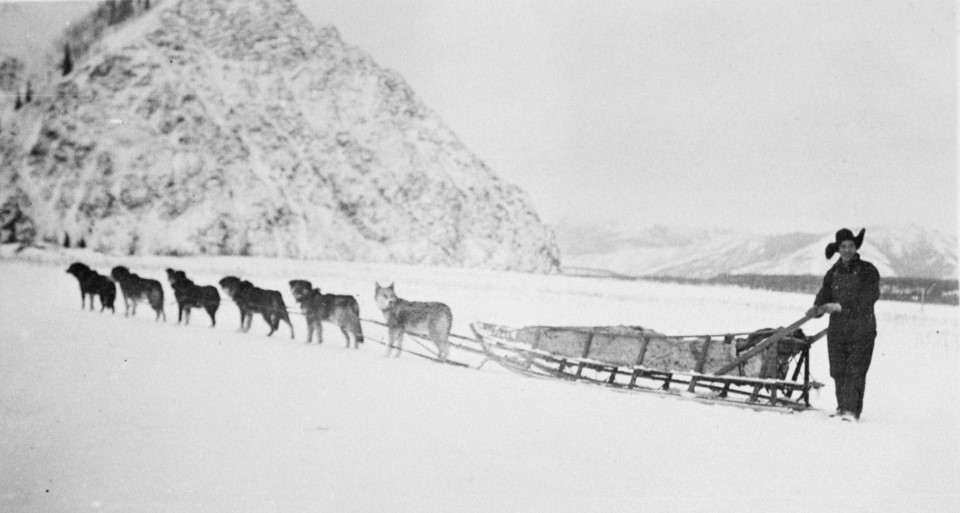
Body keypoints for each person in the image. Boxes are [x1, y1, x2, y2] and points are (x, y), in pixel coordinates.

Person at [806, 228, 880, 422]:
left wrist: (839, 307)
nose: (847, 250)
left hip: (862, 329)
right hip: (838, 330)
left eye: (850, 246)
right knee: (838, 369)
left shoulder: (868, 270)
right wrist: (817, 308)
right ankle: (842, 408)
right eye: (843, 246)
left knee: (855, 370)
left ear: (856, 247)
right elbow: (825, 294)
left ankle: (851, 411)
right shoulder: (833, 272)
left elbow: (869, 297)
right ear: (838, 249)